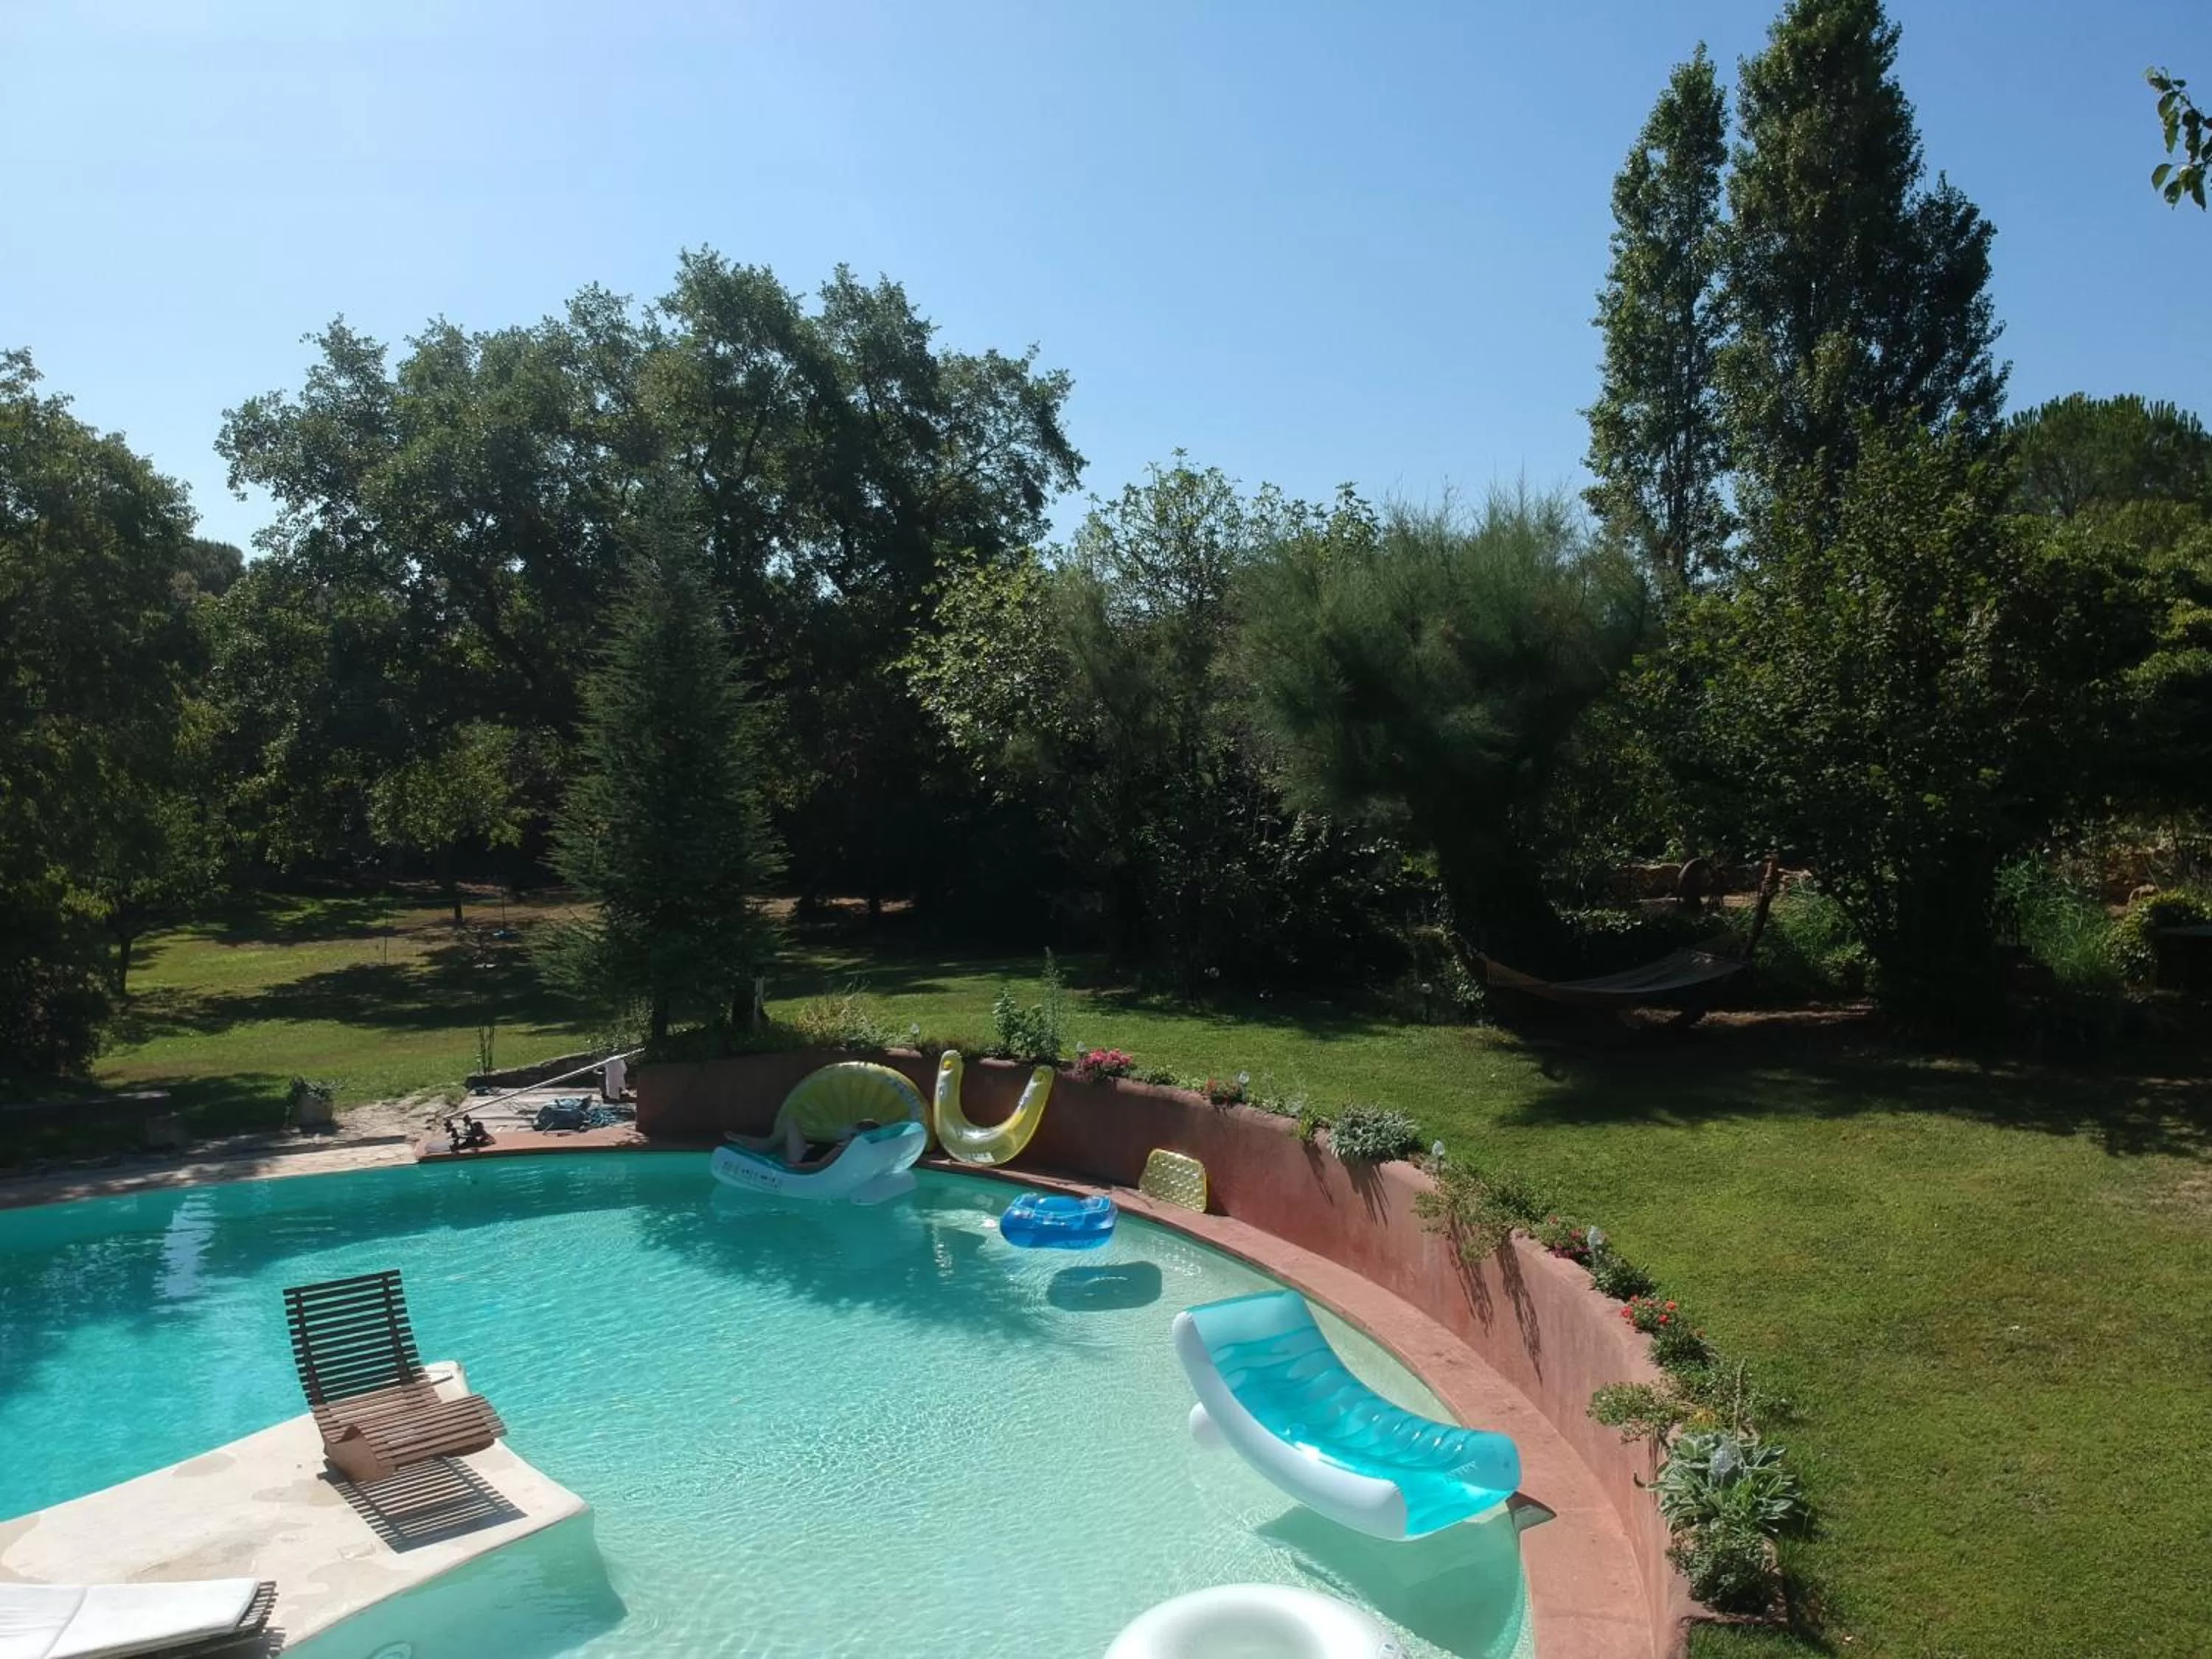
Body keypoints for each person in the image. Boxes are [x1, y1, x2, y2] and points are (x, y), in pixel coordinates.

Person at [724, 1116, 882, 1172]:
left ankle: (766, 1144)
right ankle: (766, 1144)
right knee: (779, 1145)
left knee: (791, 1122)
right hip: (809, 1151)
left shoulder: (846, 1147)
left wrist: (795, 1167)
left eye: (853, 1131)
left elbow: (820, 1165)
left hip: (802, 1158)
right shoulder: (858, 1147)